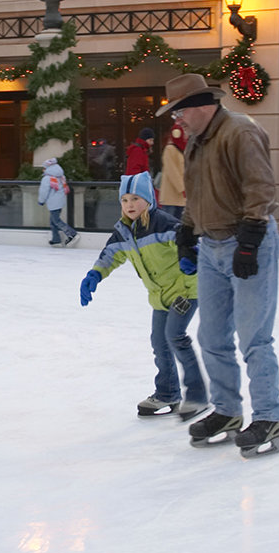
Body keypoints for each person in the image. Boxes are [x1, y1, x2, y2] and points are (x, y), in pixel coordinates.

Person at [162, 73, 279, 457]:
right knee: (211, 338)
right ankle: (228, 410)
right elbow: (195, 192)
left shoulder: (239, 132)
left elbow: (260, 187)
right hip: (211, 246)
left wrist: (249, 240)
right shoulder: (197, 139)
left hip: (248, 241)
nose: (175, 120)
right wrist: (185, 231)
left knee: (254, 338)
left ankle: (269, 416)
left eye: (178, 112)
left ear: (199, 106)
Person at [79, 171, 208, 421]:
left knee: (175, 336)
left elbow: (190, 245)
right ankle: (168, 393)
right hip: (160, 297)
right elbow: (110, 255)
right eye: (125, 200)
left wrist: (189, 259)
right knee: (159, 343)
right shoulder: (124, 232)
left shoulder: (164, 224)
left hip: (186, 291)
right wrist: (94, 275)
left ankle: (198, 396)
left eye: (135, 199)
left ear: (149, 200)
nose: (129, 205)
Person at [37, 156, 79, 247]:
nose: (43, 170)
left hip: (53, 203)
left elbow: (43, 191)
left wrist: (41, 201)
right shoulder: (61, 177)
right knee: (53, 221)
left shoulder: (47, 179)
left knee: (56, 220)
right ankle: (56, 239)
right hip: (60, 201)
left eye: (44, 168)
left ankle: (72, 234)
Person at [157, 123, 187, 221]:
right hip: (171, 196)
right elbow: (172, 171)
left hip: (181, 197)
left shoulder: (183, 150)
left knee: (179, 224)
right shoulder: (170, 149)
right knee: (168, 223)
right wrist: (182, 188)